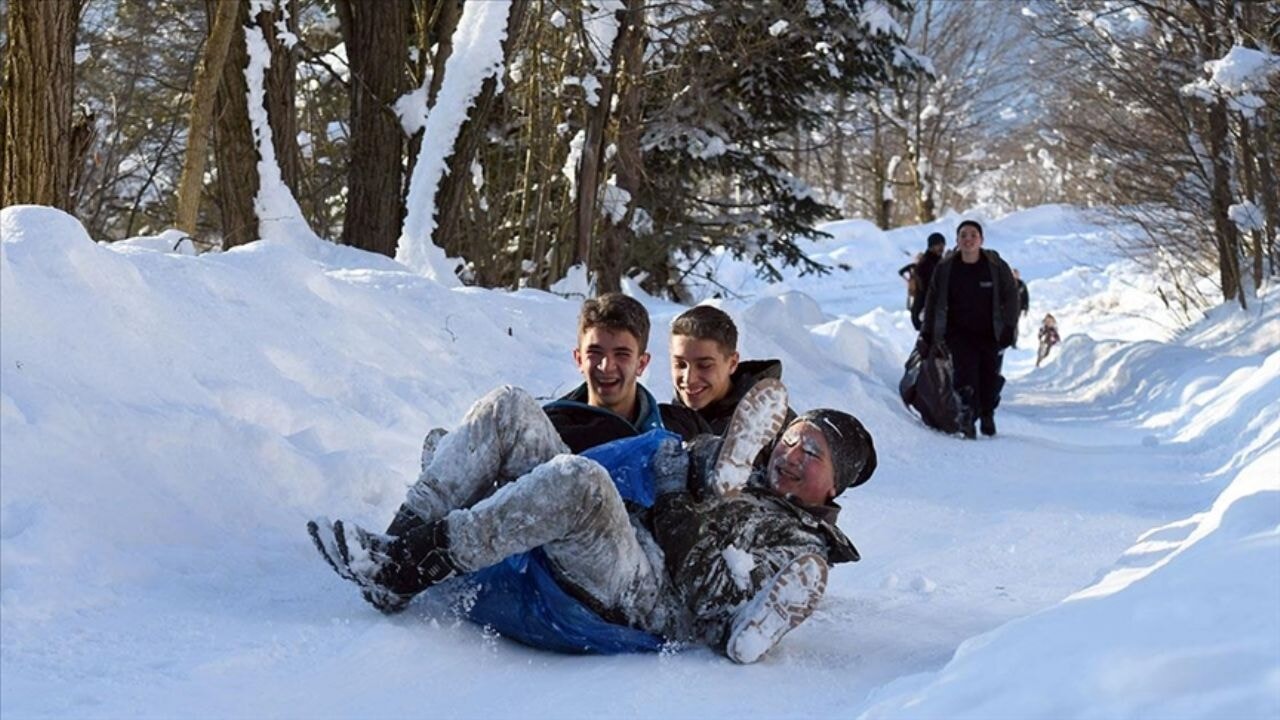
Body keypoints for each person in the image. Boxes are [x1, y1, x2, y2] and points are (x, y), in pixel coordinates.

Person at [307, 380, 877, 664]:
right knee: (509, 408)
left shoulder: (798, 544)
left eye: (813, 454)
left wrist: (678, 497)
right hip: (633, 535)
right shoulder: (745, 475)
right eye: (793, 439)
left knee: (577, 483)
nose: (792, 455)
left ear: (833, 486)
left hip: (652, 596)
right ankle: (396, 544)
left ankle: (409, 566)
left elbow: (704, 593)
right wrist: (692, 467)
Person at [920, 220, 1019, 439]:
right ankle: (966, 415)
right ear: (957, 241)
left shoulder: (995, 265)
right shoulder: (946, 268)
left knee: (989, 377)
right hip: (957, 333)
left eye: (973, 235)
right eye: (963, 235)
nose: (968, 239)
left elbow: (1011, 295)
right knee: (964, 376)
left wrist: (1010, 327)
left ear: (981, 240)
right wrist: (928, 332)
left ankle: (987, 413)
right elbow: (933, 300)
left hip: (990, 332)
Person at [663, 305, 795, 436]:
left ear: (732, 363)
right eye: (680, 364)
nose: (689, 378)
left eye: (704, 365)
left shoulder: (772, 424)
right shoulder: (661, 423)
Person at [907, 232, 947, 331]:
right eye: (938, 245)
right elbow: (931, 290)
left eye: (943, 245)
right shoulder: (926, 264)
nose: (941, 248)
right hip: (924, 313)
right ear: (931, 246)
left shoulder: (936, 261)